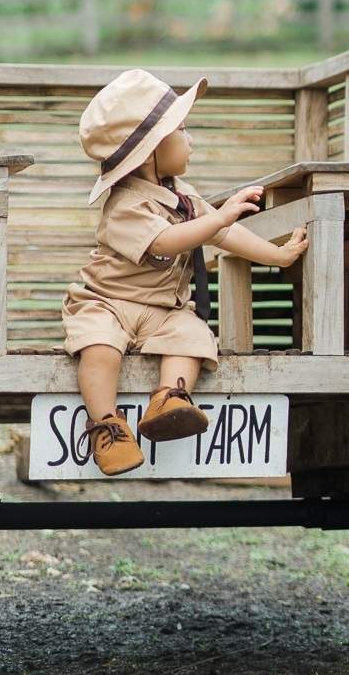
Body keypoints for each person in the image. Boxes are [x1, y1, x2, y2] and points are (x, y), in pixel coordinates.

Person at [61, 68, 309, 475]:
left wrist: (276, 256)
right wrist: (218, 218)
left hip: (162, 311)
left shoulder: (184, 198)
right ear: (153, 148)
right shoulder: (126, 204)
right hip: (108, 303)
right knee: (99, 346)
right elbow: (166, 241)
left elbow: (225, 233)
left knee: (192, 333)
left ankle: (170, 400)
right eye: (182, 130)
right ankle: (108, 427)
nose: (190, 140)